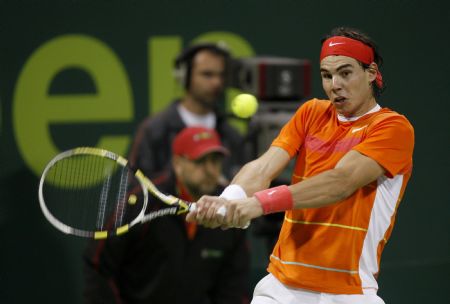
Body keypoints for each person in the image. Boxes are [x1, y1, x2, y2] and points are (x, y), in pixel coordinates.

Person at [187, 26, 415, 304]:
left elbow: (340, 182)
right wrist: (229, 200)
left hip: (350, 292)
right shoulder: (311, 113)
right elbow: (264, 167)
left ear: (370, 73)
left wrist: (258, 204)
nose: (335, 85)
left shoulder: (392, 128)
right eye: (326, 75)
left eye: (345, 73)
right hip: (281, 289)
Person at [83, 127, 250, 304]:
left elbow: (233, 286)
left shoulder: (228, 210)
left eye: (215, 161)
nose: (210, 170)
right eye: (200, 161)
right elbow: (98, 265)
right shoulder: (142, 202)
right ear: (178, 164)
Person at [130, 42, 245, 182]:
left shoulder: (231, 135)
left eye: (221, 75)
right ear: (184, 76)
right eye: (207, 74)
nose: (217, 82)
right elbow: (136, 189)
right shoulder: (154, 130)